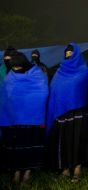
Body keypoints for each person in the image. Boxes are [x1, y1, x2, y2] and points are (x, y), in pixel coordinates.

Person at [0, 52, 48, 184]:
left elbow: (42, 92)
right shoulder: (10, 76)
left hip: (33, 118)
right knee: (17, 146)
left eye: (18, 66)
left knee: (30, 145)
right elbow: (5, 95)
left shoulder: (37, 74)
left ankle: (27, 172)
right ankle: (16, 172)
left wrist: (28, 104)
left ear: (24, 64)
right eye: (13, 67)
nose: (16, 69)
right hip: (14, 119)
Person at [46, 43, 88, 183]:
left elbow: (82, 90)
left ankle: (77, 169)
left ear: (77, 54)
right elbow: (54, 90)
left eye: (71, 54)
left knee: (77, 140)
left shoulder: (84, 71)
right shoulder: (59, 72)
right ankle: (65, 169)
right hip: (61, 113)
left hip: (77, 113)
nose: (69, 56)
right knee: (63, 141)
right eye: (67, 54)